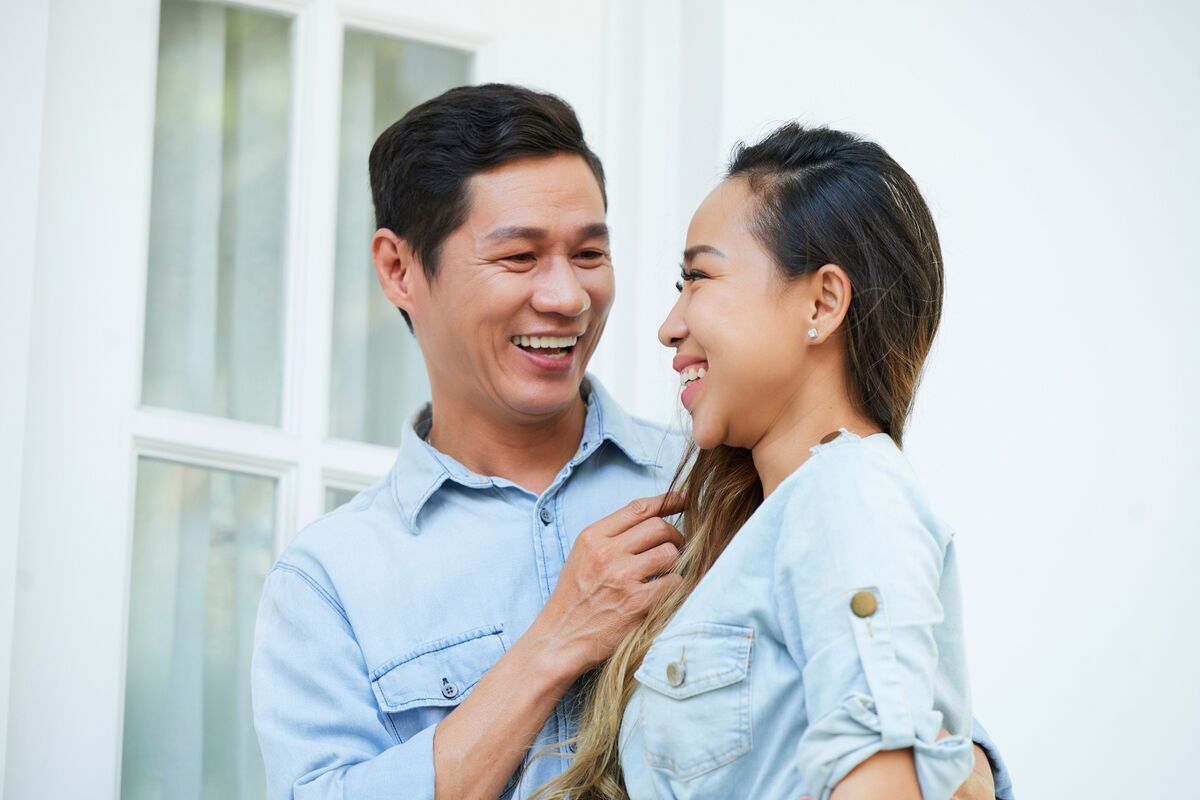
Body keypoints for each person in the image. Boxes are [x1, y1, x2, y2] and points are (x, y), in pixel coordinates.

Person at [251, 84, 1012, 799]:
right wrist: (552, 646)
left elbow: (918, 735)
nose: (567, 297)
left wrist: (946, 759)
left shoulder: (742, 481)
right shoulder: (328, 584)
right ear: (398, 268)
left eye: (589, 254)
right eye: (519, 257)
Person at [535, 124, 1000, 800]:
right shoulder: (768, 527)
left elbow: (884, 778)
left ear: (822, 302)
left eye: (698, 277)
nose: (670, 323)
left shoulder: (848, 492)